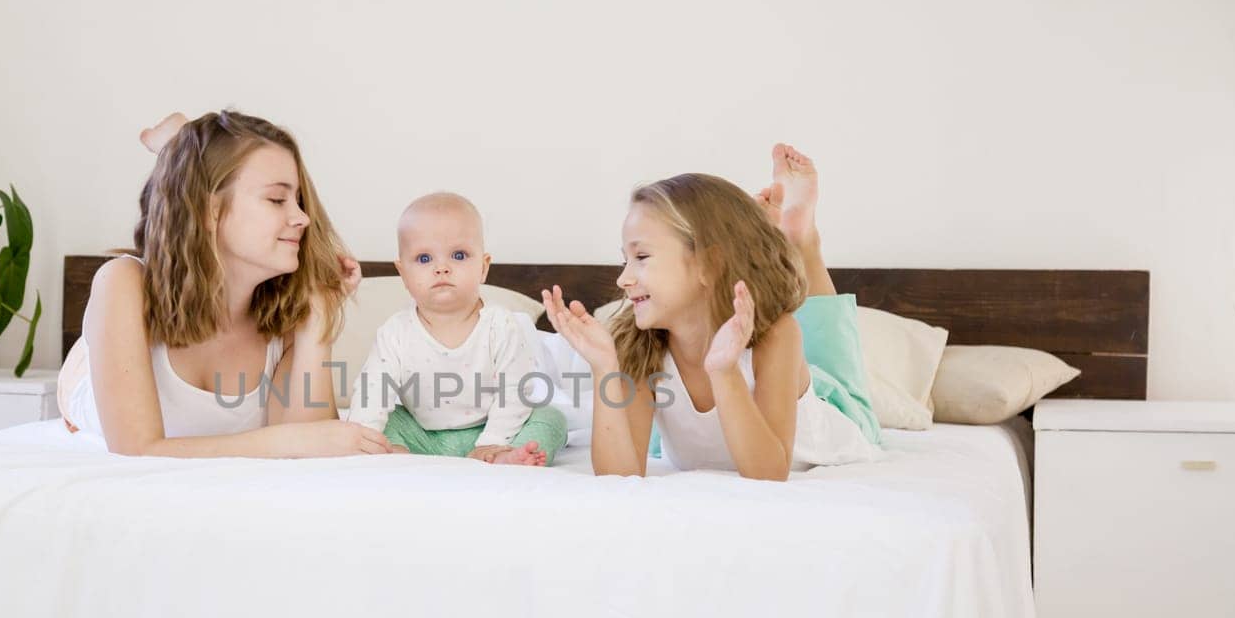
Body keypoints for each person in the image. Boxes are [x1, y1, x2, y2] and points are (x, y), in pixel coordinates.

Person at [57, 110, 393, 458]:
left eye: (299, 201)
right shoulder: (124, 283)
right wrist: (290, 440)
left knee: (199, 165)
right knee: (188, 175)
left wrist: (318, 322)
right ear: (209, 211)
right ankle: (175, 145)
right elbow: (137, 448)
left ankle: (179, 145)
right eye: (277, 199)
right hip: (84, 375)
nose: (302, 218)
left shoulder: (285, 316)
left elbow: (312, 449)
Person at [541, 144, 879, 480]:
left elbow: (769, 473)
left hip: (830, 417)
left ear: (709, 264)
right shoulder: (639, 345)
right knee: (665, 431)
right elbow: (621, 475)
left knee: (824, 352)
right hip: (707, 413)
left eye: (641, 257)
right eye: (624, 259)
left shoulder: (777, 336)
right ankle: (761, 237)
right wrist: (605, 369)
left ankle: (801, 239)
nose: (623, 278)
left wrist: (725, 371)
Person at [346, 192, 567, 465]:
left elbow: (515, 390)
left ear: (483, 267)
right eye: (424, 259)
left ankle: (506, 459)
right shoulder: (395, 332)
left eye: (459, 255)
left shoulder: (500, 325)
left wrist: (492, 442)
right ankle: (396, 458)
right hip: (422, 435)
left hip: (494, 431)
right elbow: (373, 389)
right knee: (378, 421)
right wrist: (363, 439)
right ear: (403, 273)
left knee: (551, 419)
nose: (442, 268)